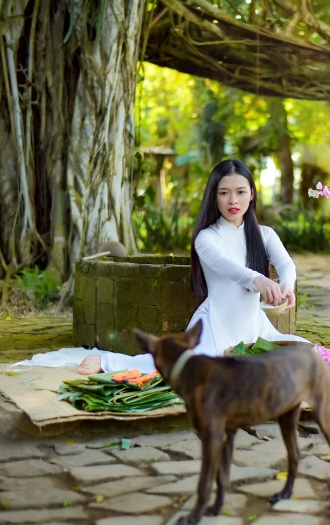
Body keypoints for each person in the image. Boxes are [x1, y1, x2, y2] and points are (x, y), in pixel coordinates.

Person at [78, 158, 309, 375]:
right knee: (184, 365)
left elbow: (286, 263)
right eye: (224, 193)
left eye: (241, 192)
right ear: (214, 196)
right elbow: (226, 266)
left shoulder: (265, 234)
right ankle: (109, 362)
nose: (233, 201)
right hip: (216, 324)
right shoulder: (206, 238)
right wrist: (257, 279)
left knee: (307, 353)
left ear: (252, 194)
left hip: (254, 326)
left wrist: (287, 286)